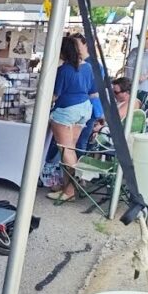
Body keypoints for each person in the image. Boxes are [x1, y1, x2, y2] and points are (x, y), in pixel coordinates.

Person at [46, 36, 97, 203]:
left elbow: (55, 95)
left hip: (67, 109)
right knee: (71, 149)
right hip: (84, 108)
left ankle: (69, 191)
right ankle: (69, 186)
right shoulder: (87, 67)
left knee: (66, 150)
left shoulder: (64, 70)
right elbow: (92, 90)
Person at [124, 29, 148, 103]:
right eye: (139, 37)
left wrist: (147, 75)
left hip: (145, 87)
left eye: (144, 38)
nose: (140, 39)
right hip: (129, 85)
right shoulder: (134, 50)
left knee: (142, 104)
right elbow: (128, 65)